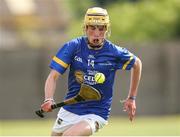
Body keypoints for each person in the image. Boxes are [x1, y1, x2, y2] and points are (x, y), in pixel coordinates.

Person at [40, 7, 142, 136]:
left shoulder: (114, 52)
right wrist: (48, 99)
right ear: (86, 28)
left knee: (69, 136)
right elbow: (53, 76)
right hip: (70, 109)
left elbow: (137, 63)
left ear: (107, 29)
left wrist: (131, 97)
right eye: (92, 28)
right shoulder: (73, 46)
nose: (97, 33)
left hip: (96, 112)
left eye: (101, 28)